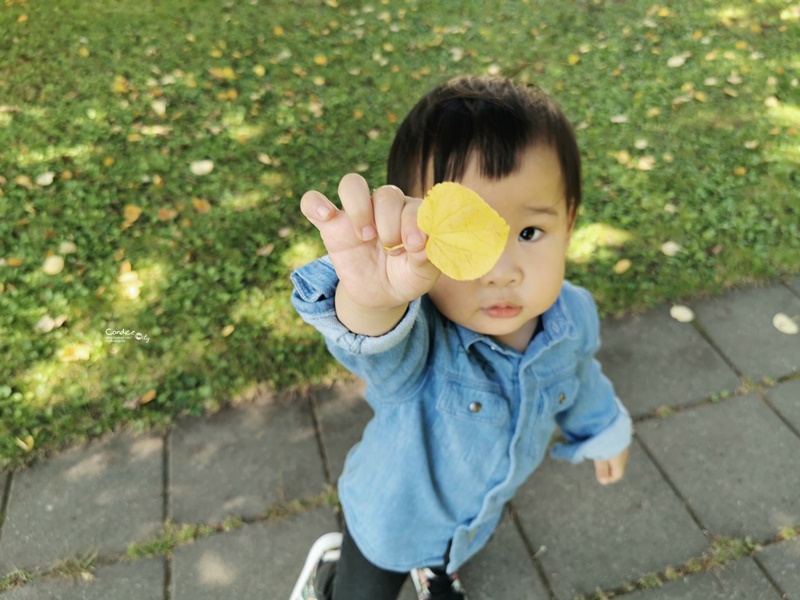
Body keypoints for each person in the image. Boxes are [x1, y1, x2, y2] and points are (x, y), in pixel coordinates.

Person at [289, 75, 632, 600]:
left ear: (568, 221)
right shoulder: (421, 340)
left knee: (450, 552)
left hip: (473, 514)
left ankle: (438, 568)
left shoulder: (572, 316)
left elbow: (579, 376)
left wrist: (603, 428)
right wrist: (375, 297)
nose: (500, 271)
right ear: (414, 239)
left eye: (529, 233)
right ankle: (330, 578)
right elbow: (374, 341)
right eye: (467, 239)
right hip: (388, 522)